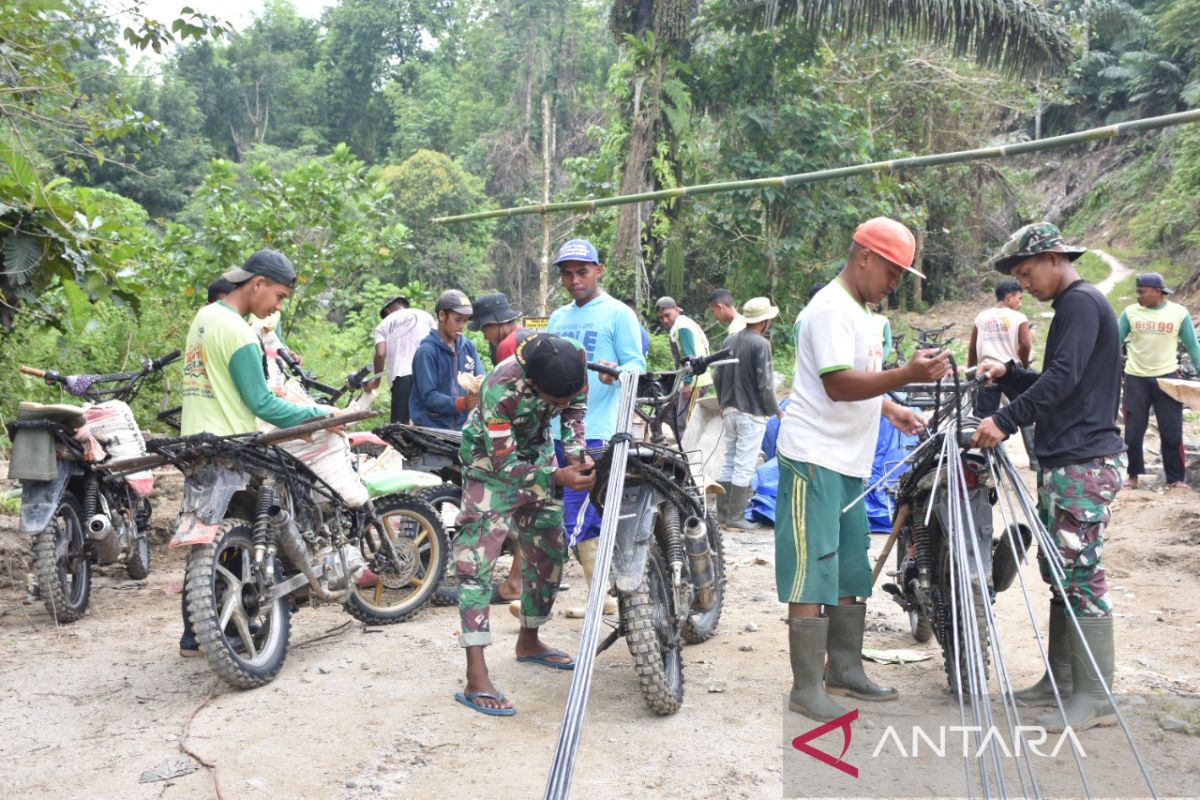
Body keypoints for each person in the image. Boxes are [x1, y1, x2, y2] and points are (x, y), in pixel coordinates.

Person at [777, 217, 949, 722]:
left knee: (852, 566)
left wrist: (892, 405)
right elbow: (836, 384)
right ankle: (806, 686)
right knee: (812, 570)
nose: (895, 283)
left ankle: (845, 669)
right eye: (893, 272)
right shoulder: (830, 309)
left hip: (849, 460)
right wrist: (908, 374)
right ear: (865, 257)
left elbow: (865, 383)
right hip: (814, 456)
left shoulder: (863, 313)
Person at [971, 222, 1126, 732]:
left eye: (1027, 271)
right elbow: (1060, 378)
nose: (1026, 283)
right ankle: (1061, 678)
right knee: (1059, 571)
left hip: (1084, 460)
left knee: (1079, 572)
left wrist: (1004, 419)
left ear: (1055, 258)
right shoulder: (1070, 308)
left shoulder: (1082, 303)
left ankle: (1095, 695)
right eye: (1019, 275)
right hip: (1065, 458)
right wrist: (1009, 374)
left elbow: (1062, 380)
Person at [178, 250, 343, 656]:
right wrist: (321, 414)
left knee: (205, 541)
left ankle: (194, 636)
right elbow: (263, 403)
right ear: (257, 284)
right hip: (233, 445)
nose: (278, 306)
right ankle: (237, 633)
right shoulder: (238, 331)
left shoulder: (204, 318)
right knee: (253, 535)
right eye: (280, 296)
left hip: (196, 443)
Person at [453, 334, 595, 715]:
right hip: (491, 469)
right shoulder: (500, 389)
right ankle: (475, 676)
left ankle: (529, 641)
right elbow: (505, 465)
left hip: (541, 457)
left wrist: (578, 458)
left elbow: (575, 412)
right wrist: (560, 478)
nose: (563, 405)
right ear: (532, 385)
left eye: (567, 395)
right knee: (475, 565)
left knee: (549, 550)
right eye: (554, 401)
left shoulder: (572, 364)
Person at [547, 239, 647, 617]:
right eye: (567, 274)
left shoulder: (619, 314)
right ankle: (600, 593)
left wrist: (615, 373)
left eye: (582, 272)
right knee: (563, 513)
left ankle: (601, 595)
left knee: (579, 510)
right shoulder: (558, 318)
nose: (574, 280)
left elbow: (637, 366)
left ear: (599, 270)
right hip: (554, 431)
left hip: (596, 430)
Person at [468, 291, 530, 606]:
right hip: (540, 432)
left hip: (516, 435)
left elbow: (502, 400)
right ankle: (522, 580)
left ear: (495, 323)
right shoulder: (532, 336)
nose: (484, 336)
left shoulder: (507, 346)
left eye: (484, 329)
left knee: (510, 509)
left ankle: (514, 583)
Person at [1117, 272, 1200, 490]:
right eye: (1137, 292)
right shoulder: (1130, 313)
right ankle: (1132, 476)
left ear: (1157, 292)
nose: (1138, 296)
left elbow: (1193, 347)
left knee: (1171, 431)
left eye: (1142, 292)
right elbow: (1113, 342)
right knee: (1133, 431)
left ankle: (1175, 479)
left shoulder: (1178, 313)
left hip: (1168, 379)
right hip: (1136, 379)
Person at [714, 297, 782, 530]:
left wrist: (723, 403)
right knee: (744, 464)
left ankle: (722, 516)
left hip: (729, 409)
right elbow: (765, 384)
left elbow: (717, 376)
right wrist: (777, 411)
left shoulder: (729, 340)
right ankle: (736, 518)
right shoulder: (760, 344)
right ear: (764, 322)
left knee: (730, 460)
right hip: (750, 412)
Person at [968, 280, 1037, 468]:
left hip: (987, 374)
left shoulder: (981, 317)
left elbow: (973, 346)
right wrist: (1022, 365)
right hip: (1012, 373)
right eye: (1019, 298)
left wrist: (971, 370)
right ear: (1009, 297)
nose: (1020, 303)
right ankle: (1035, 460)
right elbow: (1026, 344)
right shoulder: (1018, 317)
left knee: (986, 417)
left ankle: (989, 461)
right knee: (1025, 412)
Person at [410, 290, 483, 430]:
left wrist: (480, 386)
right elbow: (429, 397)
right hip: (432, 429)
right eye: (458, 319)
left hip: (463, 427)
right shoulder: (427, 352)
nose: (462, 325)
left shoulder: (468, 347)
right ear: (442, 315)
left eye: (465, 320)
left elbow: (480, 377)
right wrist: (462, 403)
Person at [655, 296, 712, 441]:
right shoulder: (680, 324)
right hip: (690, 379)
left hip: (695, 381)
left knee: (684, 423)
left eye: (667, 315)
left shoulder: (682, 326)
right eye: (661, 318)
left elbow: (690, 356)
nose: (665, 320)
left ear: (676, 310)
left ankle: (688, 456)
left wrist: (687, 383)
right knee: (668, 413)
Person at [372, 295, 435, 424]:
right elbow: (439, 342)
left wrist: (376, 381)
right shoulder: (425, 315)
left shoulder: (383, 325)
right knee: (428, 423)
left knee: (400, 428)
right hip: (428, 373)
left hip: (401, 376)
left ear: (387, 311)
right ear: (403, 304)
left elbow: (380, 353)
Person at [470, 292, 528, 365]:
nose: (485, 338)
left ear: (493, 324)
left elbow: (505, 376)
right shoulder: (535, 336)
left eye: (484, 331)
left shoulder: (506, 346)